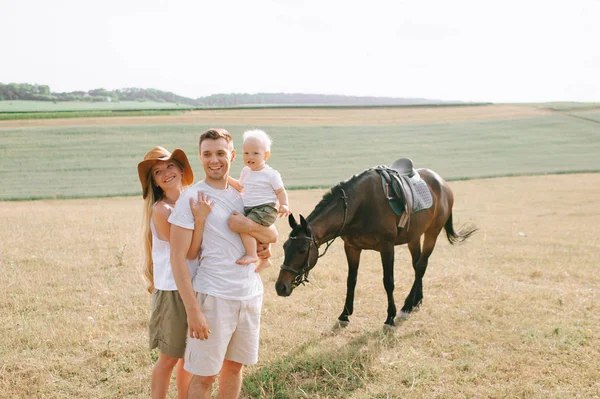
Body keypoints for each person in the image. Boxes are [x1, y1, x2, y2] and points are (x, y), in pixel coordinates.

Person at [169, 128, 278, 399]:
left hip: (249, 295)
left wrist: (247, 224)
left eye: (220, 153)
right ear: (200, 157)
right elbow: (178, 260)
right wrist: (193, 310)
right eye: (207, 154)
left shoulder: (245, 194)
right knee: (205, 375)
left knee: (234, 367)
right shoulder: (191, 198)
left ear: (232, 155)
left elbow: (272, 235)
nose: (214, 160)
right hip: (213, 298)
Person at [138, 146, 213, 399]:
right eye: (158, 172)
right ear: (156, 183)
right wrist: (201, 220)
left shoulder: (192, 200)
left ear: (181, 169)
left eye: (170, 166)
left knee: (189, 357)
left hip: (194, 286)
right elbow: (189, 253)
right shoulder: (162, 210)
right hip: (172, 290)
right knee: (169, 358)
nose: (166, 173)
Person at [227, 129, 291, 267]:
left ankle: (251, 255)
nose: (250, 156)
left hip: (265, 208)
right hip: (251, 208)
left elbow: (280, 191)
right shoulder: (246, 171)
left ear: (266, 155)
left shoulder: (270, 174)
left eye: (255, 153)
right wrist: (226, 178)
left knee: (244, 227)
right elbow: (239, 186)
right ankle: (265, 259)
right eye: (246, 153)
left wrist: (284, 204)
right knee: (256, 233)